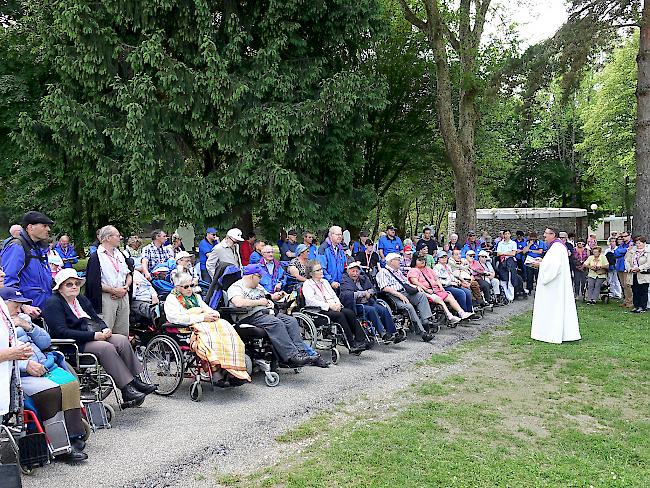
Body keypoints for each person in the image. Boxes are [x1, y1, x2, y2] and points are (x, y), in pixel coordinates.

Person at [43, 269, 156, 407]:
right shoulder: (53, 303)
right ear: (60, 288)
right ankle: (126, 389)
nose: (74, 286)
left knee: (121, 340)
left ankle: (136, 381)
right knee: (106, 347)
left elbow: (96, 318)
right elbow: (61, 332)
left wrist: (104, 328)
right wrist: (94, 336)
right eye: (69, 284)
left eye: (77, 284)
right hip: (72, 344)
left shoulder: (80, 299)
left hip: (91, 336)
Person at [1, 287, 89, 462]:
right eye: (16, 305)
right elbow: (10, 353)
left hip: (42, 363)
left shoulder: (22, 319)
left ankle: (74, 434)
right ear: (5, 304)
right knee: (51, 391)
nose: (20, 309)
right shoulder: (4, 324)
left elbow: (45, 342)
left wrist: (27, 325)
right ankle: (59, 446)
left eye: (22, 305)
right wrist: (26, 364)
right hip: (17, 373)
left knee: (70, 383)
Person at [164, 272, 251, 384]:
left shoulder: (196, 297)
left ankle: (232, 370)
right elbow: (175, 318)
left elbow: (207, 309)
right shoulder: (172, 299)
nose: (190, 289)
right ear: (177, 287)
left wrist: (214, 314)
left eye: (192, 285)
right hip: (186, 328)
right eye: (186, 287)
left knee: (228, 332)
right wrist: (202, 317)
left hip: (204, 323)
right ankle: (217, 372)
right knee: (211, 339)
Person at [227, 264, 314, 367]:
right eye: (259, 277)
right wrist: (259, 302)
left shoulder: (258, 287)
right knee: (276, 323)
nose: (260, 280)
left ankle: (301, 352)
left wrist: (275, 297)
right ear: (252, 276)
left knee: (291, 321)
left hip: (266, 313)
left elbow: (268, 296)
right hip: (249, 316)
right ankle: (291, 356)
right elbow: (238, 303)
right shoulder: (236, 287)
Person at [303, 261, 370, 353]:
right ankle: (350, 343)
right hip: (319, 310)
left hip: (333, 306)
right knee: (340, 316)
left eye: (321, 269)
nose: (321, 271)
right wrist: (329, 305)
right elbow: (311, 301)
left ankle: (361, 340)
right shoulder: (307, 284)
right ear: (311, 273)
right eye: (318, 270)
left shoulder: (325, 282)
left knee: (349, 312)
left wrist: (338, 304)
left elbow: (334, 295)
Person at [530, 227, 581, 344]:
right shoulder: (556, 247)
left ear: (553, 235)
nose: (544, 236)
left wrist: (540, 265)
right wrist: (542, 261)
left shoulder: (557, 248)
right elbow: (552, 263)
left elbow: (553, 267)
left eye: (546, 234)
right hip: (557, 283)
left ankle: (551, 332)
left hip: (554, 284)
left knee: (554, 306)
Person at [0, 211, 54, 310]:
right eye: (44, 226)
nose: (48, 229)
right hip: (29, 310)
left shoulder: (39, 248)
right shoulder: (17, 247)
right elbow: (7, 282)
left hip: (44, 307)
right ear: (30, 227)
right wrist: (23, 306)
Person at [84, 225, 132, 336]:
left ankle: (122, 353)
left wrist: (124, 288)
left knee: (123, 332)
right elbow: (93, 282)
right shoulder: (96, 257)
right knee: (106, 331)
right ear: (108, 238)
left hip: (123, 296)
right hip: (107, 298)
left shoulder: (120, 255)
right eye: (117, 235)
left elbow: (129, 274)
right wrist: (114, 291)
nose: (120, 238)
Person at [375, 253, 435, 341]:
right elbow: (385, 288)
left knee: (421, 295)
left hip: (405, 292)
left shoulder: (398, 272)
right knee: (408, 306)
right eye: (398, 260)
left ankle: (425, 321)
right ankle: (422, 333)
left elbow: (406, 283)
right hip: (393, 296)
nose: (400, 262)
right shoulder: (383, 272)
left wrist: (417, 287)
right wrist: (399, 295)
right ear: (391, 262)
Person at [340, 261, 403, 343]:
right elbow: (347, 295)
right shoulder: (344, 281)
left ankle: (393, 332)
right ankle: (383, 334)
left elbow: (372, 289)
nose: (355, 273)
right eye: (353, 271)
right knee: (371, 310)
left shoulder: (363, 278)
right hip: (356, 305)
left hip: (368, 302)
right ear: (348, 272)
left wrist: (369, 292)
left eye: (357, 271)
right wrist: (363, 293)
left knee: (383, 309)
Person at [407, 257, 466, 323]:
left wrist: (440, 286)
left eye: (423, 260)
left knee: (449, 296)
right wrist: (426, 289)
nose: (422, 261)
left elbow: (436, 279)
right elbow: (415, 282)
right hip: (425, 291)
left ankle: (462, 313)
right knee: (439, 299)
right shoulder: (413, 270)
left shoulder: (428, 269)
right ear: (415, 261)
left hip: (435, 289)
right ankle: (449, 315)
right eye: (419, 260)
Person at [625, 236, 649, 313]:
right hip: (633, 274)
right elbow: (627, 260)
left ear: (644, 243)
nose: (638, 245)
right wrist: (629, 268)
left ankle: (643, 307)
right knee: (635, 290)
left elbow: (648, 263)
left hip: (643, 274)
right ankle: (636, 305)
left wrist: (639, 268)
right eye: (637, 243)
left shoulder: (647, 251)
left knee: (643, 290)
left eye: (640, 243)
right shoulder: (632, 251)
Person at [496, 230, 519, 302]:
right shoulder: (500, 243)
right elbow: (498, 254)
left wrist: (504, 253)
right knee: (503, 279)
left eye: (508, 234)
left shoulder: (513, 243)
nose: (507, 235)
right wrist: (508, 253)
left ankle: (511, 297)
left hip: (510, 262)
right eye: (505, 234)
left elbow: (513, 254)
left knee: (510, 279)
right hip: (502, 262)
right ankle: (506, 296)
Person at [614, 232, 634, 308]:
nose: (623, 238)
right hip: (619, 266)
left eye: (625, 236)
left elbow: (630, 254)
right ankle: (625, 300)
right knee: (623, 285)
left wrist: (623, 251)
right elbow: (616, 253)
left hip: (626, 267)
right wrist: (625, 250)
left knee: (627, 285)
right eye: (622, 237)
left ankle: (630, 302)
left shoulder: (632, 244)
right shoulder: (622, 244)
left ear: (629, 236)